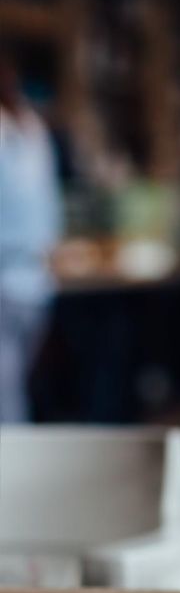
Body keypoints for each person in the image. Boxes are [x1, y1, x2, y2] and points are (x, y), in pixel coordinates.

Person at [0, 53, 63, 423]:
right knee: (5, 387)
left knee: (20, 380)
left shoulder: (32, 126)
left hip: (36, 272)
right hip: (5, 270)